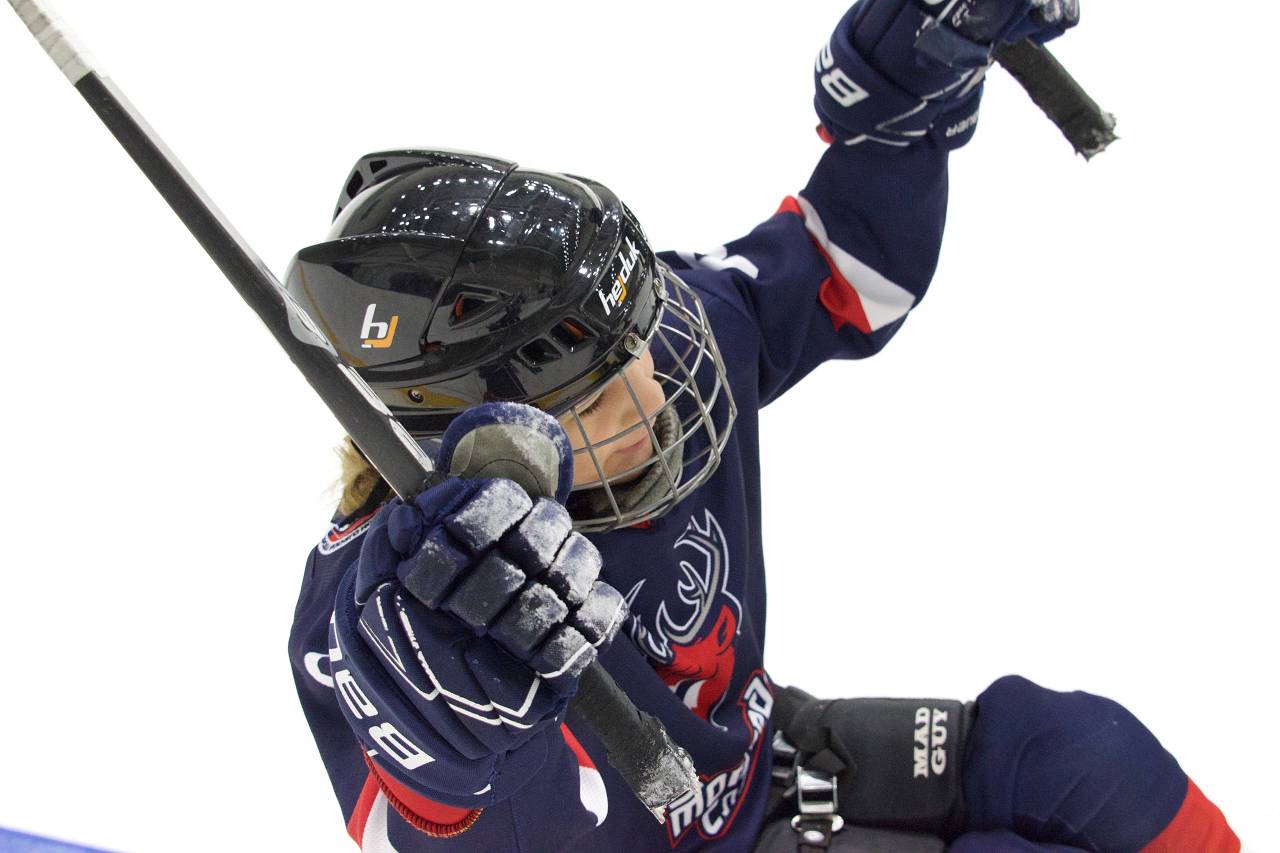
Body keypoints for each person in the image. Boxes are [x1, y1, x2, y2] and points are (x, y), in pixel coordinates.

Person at [285, 1, 1240, 850]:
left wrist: (901, 100)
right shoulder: (383, 611)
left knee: (1082, 757)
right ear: (473, 444)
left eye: (638, 340)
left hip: (763, 762)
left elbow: (846, 268)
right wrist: (440, 763)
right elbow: (419, 821)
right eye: (599, 396)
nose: (655, 388)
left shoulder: (652, 340)